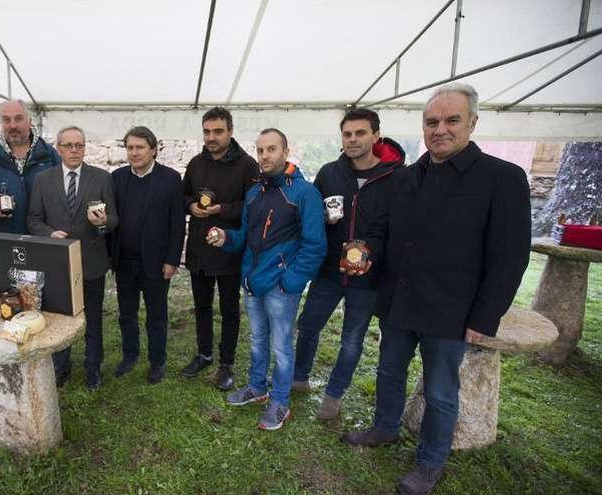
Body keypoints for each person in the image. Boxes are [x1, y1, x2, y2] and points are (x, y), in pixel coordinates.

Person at [341, 83, 531, 495]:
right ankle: (385, 428)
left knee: (441, 390)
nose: (440, 129)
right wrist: (365, 252)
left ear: (473, 123)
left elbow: (510, 258)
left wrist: (485, 318)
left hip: (451, 310)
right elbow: (385, 232)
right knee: (389, 371)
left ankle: (430, 463)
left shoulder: (503, 178)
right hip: (397, 303)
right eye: (432, 121)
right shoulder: (405, 178)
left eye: (451, 120)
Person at [291, 108, 405, 420]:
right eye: (347, 134)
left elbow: (396, 228)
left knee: (352, 341)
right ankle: (298, 378)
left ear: (376, 136)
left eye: (360, 133)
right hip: (328, 271)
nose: (353, 139)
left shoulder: (395, 178)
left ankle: (334, 394)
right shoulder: (330, 173)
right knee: (308, 325)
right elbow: (314, 218)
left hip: (368, 278)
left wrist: (372, 254)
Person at [208, 128, 325, 430]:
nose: (264, 156)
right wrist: (225, 237)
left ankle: (280, 402)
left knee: (281, 348)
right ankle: (257, 387)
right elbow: (246, 238)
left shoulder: (304, 193)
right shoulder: (254, 193)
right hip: (252, 282)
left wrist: (290, 281)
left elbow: (315, 245)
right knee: (258, 341)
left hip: (281, 287)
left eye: (271, 149)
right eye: (260, 151)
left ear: (286, 151)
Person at [28, 126, 119, 390]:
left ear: (85, 147)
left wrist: (102, 223)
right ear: (58, 148)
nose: (74, 150)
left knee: (93, 319)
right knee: (59, 320)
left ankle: (93, 368)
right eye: (68, 145)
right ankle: (61, 367)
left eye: (79, 145)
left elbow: (114, 218)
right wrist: (49, 233)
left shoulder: (101, 178)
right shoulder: (43, 180)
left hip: (91, 263)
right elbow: (33, 219)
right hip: (57, 265)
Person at [180, 106, 259, 390]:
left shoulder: (248, 165)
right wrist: (190, 205)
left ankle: (226, 363)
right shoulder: (195, 163)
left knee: (229, 309)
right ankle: (204, 353)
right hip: (200, 248)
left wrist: (221, 209)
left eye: (217, 131)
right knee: (201, 306)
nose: (211, 137)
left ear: (230, 132)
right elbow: (184, 194)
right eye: (206, 131)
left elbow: (253, 206)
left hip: (229, 250)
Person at [110, 126, 185, 384]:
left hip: (156, 262)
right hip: (124, 262)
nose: (134, 152)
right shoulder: (117, 178)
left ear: (153, 149)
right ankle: (130, 356)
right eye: (130, 147)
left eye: (140, 147)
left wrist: (172, 259)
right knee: (126, 314)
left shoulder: (171, 179)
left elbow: (178, 224)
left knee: (157, 316)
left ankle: (157, 362)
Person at [0, 99, 61, 234]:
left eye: (19, 119)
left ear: (29, 121)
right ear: (1, 123)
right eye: (6, 120)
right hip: (3, 239)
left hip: (43, 238)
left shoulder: (49, 154)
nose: (12, 125)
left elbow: (64, 191)